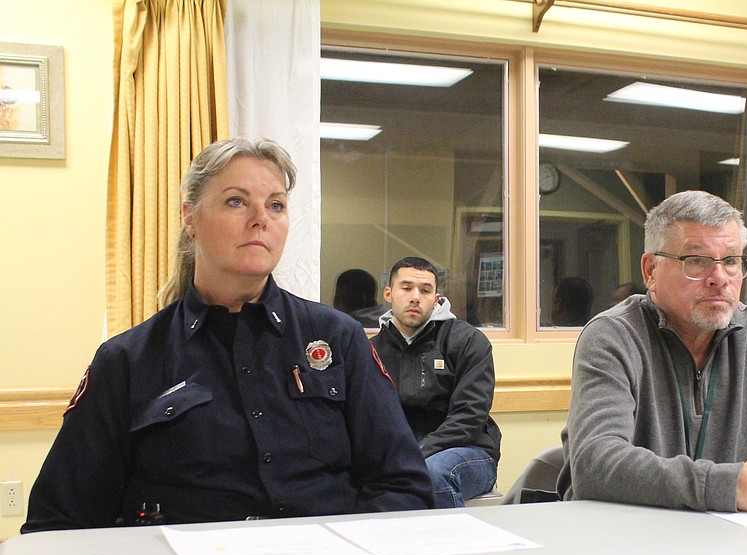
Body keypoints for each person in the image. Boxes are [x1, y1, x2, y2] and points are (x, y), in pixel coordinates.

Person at [23, 138, 433, 532]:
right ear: (190, 218)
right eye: (236, 201)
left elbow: (403, 486)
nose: (261, 218)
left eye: (276, 205)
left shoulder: (336, 338)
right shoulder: (128, 360)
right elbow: (58, 521)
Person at [558, 190, 747, 514]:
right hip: (623, 539)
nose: (719, 278)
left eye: (731, 261)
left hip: (727, 540)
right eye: (697, 261)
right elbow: (596, 464)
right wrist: (736, 485)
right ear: (651, 272)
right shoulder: (613, 336)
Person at [372, 256, 502, 507]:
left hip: (467, 452)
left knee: (431, 473)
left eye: (425, 290)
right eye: (406, 288)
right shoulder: (371, 351)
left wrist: (415, 454)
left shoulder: (467, 341)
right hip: (400, 455)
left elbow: (469, 417)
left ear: (436, 298)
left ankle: (446, 546)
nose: (415, 297)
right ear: (388, 293)